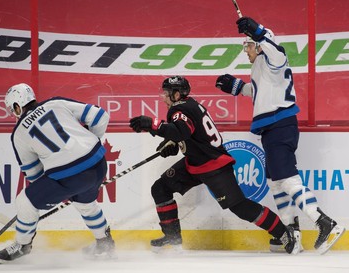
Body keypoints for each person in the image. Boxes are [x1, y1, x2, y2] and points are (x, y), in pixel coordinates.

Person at [214, 16, 345, 254]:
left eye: (249, 45)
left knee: (287, 180)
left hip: (280, 126)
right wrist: (235, 87)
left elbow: (277, 50)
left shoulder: (273, 59)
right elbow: (256, 90)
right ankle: (291, 232)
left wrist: (258, 30)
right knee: (274, 183)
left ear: (260, 45)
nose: (246, 50)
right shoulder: (262, 68)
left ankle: (326, 223)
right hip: (272, 129)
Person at [129, 76, 300, 254]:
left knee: (240, 207)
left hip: (213, 166)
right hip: (195, 163)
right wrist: (172, 142)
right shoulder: (189, 104)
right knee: (160, 188)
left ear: (177, 94)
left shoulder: (179, 110)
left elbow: (182, 130)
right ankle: (172, 238)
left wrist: (153, 124)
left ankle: (284, 233)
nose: (163, 97)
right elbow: (189, 133)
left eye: (166, 93)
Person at [0, 83, 115, 264]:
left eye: (12, 109)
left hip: (69, 177)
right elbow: (100, 116)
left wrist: (59, 189)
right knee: (86, 204)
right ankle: (104, 242)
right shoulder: (56, 103)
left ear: (17, 106)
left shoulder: (19, 133)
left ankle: (23, 245)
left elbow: (34, 174)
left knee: (25, 201)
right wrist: (90, 142)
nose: (14, 114)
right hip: (98, 163)